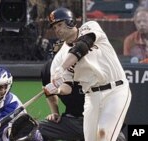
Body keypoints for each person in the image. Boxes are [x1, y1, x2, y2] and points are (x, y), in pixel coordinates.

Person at [43, 7, 131, 141]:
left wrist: (61, 68)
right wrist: (57, 89)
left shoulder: (90, 27)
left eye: (60, 24)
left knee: (104, 136)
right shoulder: (59, 58)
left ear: (71, 22)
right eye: (54, 27)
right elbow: (68, 87)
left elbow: (82, 46)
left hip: (115, 90)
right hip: (91, 96)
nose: (57, 30)